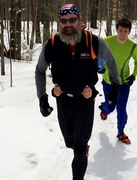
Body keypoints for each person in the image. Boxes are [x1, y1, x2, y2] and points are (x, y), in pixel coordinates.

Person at [35, 4, 119, 180]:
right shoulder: (52, 44)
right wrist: (42, 98)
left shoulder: (93, 41)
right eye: (64, 21)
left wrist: (115, 86)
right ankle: (80, 147)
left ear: (80, 20)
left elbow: (111, 62)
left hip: (85, 101)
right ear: (59, 22)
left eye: (72, 20)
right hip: (63, 100)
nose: (68, 24)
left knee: (79, 151)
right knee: (70, 143)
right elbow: (40, 71)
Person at [99, 18, 137, 145]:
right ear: (116, 30)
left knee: (122, 109)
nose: (123, 34)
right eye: (120, 30)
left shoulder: (132, 46)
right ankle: (105, 109)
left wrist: (133, 76)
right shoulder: (106, 42)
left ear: (129, 32)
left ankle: (121, 132)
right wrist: (100, 67)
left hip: (124, 83)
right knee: (111, 107)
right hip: (108, 82)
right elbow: (98, 55)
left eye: (125, 31)